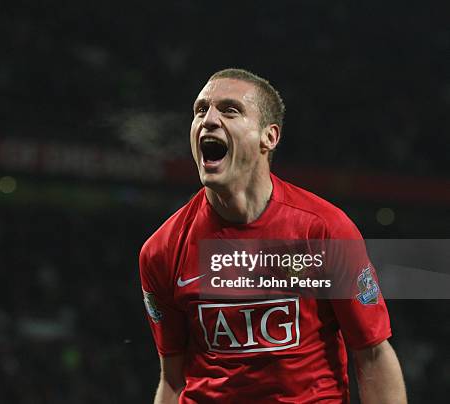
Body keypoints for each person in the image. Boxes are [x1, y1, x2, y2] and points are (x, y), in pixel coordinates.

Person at [139, 68, 406, 403]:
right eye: (200, 110)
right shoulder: (161, 250)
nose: (208, 120)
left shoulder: (323, 230)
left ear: (270, 137)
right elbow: (173, 379)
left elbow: (372, 355)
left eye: (230, 110)